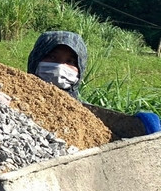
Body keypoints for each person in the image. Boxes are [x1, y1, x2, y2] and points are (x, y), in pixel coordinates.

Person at [28, 30, 161, 134]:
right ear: (36, 59)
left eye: (70, 61)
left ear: (80, 68)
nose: (59, 67)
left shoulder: (87, 116)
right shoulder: (15, 101)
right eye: (52, 57)